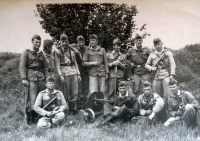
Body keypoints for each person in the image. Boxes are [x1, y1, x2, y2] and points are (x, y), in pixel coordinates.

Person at [19, 34, 48, 124]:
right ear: (32, 42)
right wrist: (24, 78)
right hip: (31, 78)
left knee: (41, 98)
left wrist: (47, 78)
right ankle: (31, 119)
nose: (38, 44)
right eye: (36, 42)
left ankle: (39, 117)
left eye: (39, 42)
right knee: (33, 99)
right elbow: (22, 67)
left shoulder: (41, 54)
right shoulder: (26, 53)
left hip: (41, 78)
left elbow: (45, 67)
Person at [55, 34, 81, 112]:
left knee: (74, 92)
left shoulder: (72, 52)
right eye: (63, 41)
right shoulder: (58, 52)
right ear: (60, 42)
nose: (64, 43)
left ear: (68, 42)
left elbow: (75, 63)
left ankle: (72, 109)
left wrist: (78, 74)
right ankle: (64, 110)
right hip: (65, 73)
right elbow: (57, 65)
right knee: (65, 93)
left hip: (73, 72)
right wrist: (60, 75)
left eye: (66, 41)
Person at [74, 35, 89, 104]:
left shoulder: (87, 49)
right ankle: (79, 103)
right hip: (78, 70)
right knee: (79, 87)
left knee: (86, 87)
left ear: (84, 42)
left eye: (82, 42)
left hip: (86, 70)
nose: (81, 44)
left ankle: (84, 102)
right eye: (79, 42)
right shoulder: (75, 49)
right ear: (77, 43)